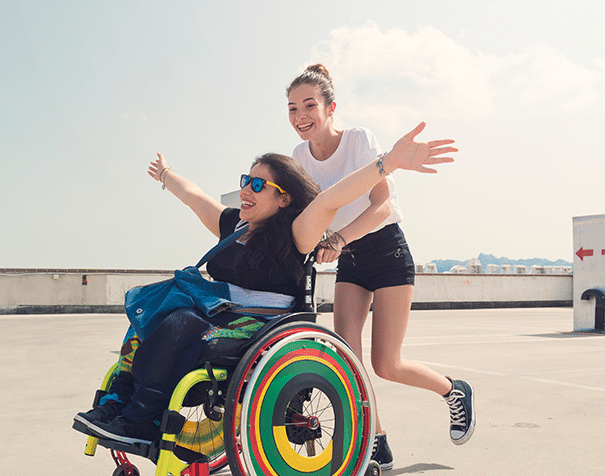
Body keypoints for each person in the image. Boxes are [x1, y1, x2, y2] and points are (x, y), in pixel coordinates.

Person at [74, 124, 455, 446]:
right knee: (148, 315)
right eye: (245, 181)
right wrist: (165, 174)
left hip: (263, 323)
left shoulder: (295, 233)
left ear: (283, 197)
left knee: (180, 322)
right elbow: (194, 197)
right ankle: (118, 402)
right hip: (223, 315)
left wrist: (387, 163)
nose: (246, 190)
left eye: (258, 184)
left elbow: (329, 201)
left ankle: (142, 420)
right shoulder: (233, 226)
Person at [286, 64, 475, 469]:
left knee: (386, 364)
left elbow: (382, 205)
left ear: (330, 107)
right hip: (350, 262)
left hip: (387, 252)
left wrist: (337, 238)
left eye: (309, 105)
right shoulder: (299, 157)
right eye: (292, 108)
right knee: (347, 362)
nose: (300, 116)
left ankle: (454, 391)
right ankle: (375, 438)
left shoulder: (357, 140)